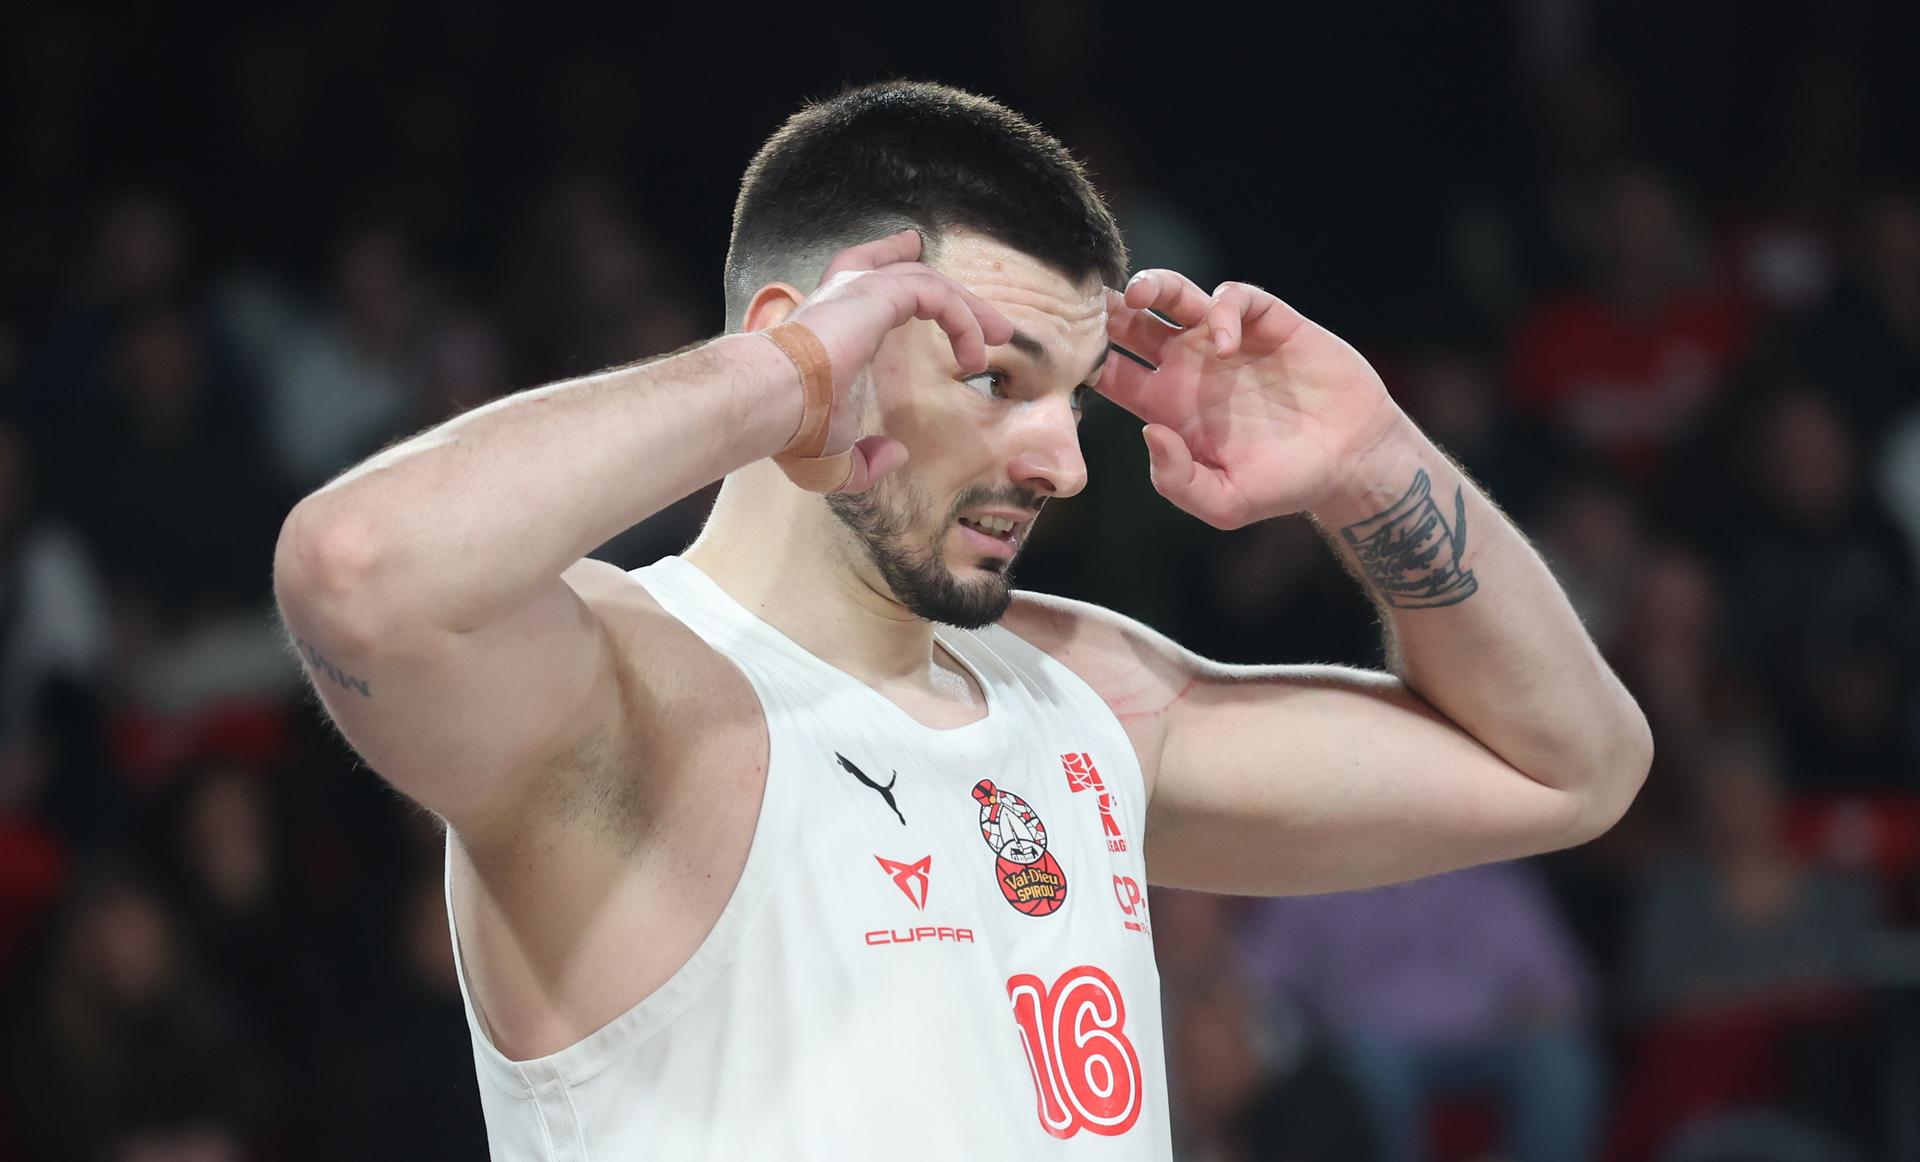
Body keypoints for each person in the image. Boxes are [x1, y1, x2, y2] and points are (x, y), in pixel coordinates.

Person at [271, 82, 1652, 1161]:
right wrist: (771, 380)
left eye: (1073, 397)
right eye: (998, 379)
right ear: (812, 337)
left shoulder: (1090, 699)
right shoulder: (626, 691)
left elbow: (1572, 769)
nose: (1064, 463)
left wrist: (1372, 465)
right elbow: (356, 571)